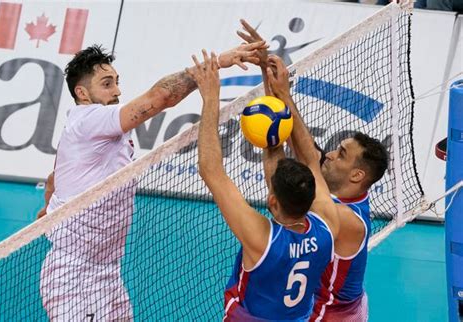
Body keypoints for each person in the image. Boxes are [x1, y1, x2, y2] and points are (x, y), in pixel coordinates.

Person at [36, 42, 266, 321]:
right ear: (82, 93)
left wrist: (47, 208)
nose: (118, 91)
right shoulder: (90, 119)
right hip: (75, 276)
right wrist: (213, 65)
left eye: (117, 82)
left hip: (108, 270)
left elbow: (54, 175)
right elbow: (161, 97)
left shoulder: (96, 129)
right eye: (107, 84)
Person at [238, 20, 388, 321]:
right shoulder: (344, 195)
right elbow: (311, 155)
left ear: (357, 175)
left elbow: (300, 164)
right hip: (330, 302)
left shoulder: (346, 220)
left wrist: (282, 94)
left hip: (332, 315)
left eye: (341, 154)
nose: (330, 155)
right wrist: (271, 82)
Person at [190, 47, 340, 320]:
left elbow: (211, 171)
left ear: (272, 200)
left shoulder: (261, 238)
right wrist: (275, 97)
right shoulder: (329, 222)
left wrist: (210, 97)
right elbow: (309, 159)